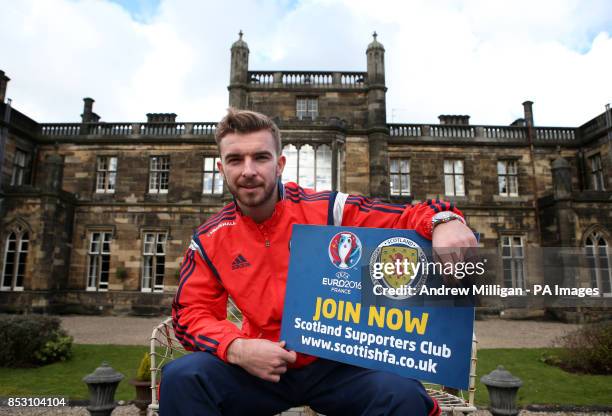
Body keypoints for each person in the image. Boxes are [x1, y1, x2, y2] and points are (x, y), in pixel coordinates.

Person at [160, 108, 477, 416]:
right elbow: (190, 313)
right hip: (260, 366)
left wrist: (445, 220)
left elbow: (405, 216)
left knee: (402, 395)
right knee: (182, 378)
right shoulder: (210, 238)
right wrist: (237, 349)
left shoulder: (329, 210)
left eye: (260, 157)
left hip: (338, 364)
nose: (248, 171)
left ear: (280, 164)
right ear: (221, 168)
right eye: (235, 159)